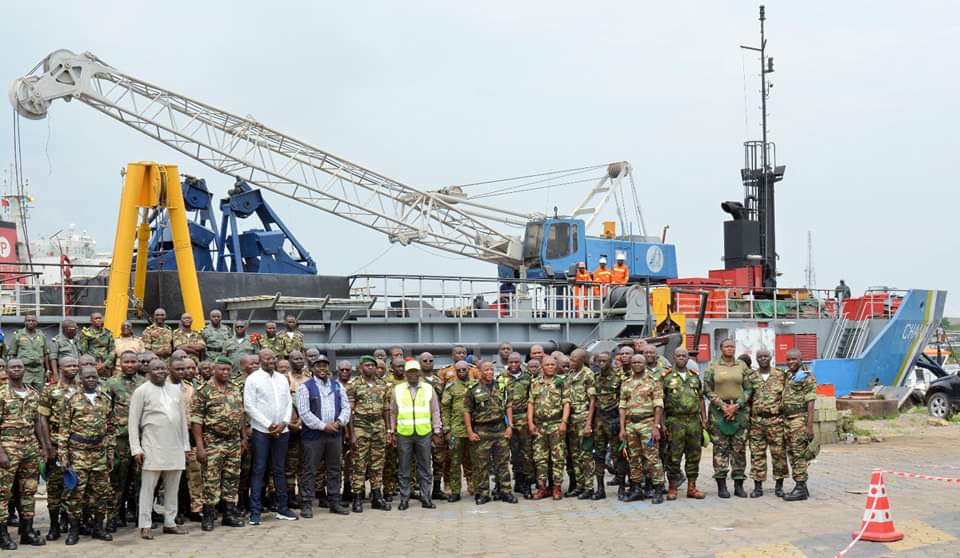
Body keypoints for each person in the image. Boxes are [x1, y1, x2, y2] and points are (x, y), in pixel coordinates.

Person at [128, 359, 191, 540]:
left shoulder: (175, 390)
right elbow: (133, 423)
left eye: (163, 368)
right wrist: (136, 449)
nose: (160, 371)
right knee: (148, 489)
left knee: (173, 489)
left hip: (175, 446)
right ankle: (145, 525)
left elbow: (182, 420)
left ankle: (170, 523)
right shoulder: (141, 392)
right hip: (151, 447)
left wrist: (186, 446)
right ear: (148, 371)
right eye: (156, 369)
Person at [57, 365, 116, 545]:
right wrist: (63, 456)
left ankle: (98, 527)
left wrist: (110, 452)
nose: (91, 379)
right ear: (80, 380)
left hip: (99, 452)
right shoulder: (71, 399)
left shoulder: (104, 399)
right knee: (75, 494)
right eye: (87, 377)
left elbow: (111, 427)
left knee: (101, 493)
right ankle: (74, 530)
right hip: (78, 452)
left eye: (94, 377)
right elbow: (63, 430)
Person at [191, 356, 247, 530]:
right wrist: (200, 446)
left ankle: (229, 513)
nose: (225, 372)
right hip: (213, 442)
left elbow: (241, 414)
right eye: (221, 369)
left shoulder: (235, 388)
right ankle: (209, 515)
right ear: (214, 369)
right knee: (211, 479)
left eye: (228, 370)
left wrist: (243, 437)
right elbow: (196, 420)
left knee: (232, 478)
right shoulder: (204, 390)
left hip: (233, 442)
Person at [0, 359, 51, 549]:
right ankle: (2, 535)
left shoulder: (32, 393)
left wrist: (44, 446)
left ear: (24, 370)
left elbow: (37, 421)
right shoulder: (2, 394)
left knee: (28, 491)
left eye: (19, 367)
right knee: (3, 494)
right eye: (12, 367)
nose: (16, 369)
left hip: (30, 449)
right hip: (7, 448)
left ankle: (27, 531)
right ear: (6, 370)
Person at [243, 348, 297, 524]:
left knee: (280, 470)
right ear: (260, 360)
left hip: (282, 431)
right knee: (259, 470)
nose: (271, 360)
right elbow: (249, 406)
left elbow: (288, 402)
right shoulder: (253, 379)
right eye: (266, 358)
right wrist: (268, 424)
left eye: (273, 357)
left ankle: (282, 508)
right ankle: (255, 512)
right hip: (262, 431)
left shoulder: (282, 378)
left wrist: (284, 422)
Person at [297, 356, 351, 517]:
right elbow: (304, 413)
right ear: (312, 368)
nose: (322, 368)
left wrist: (339, 422)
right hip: (313, 436)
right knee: (309, 470)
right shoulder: (305, 387)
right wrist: (323, 426)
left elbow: (346, 407)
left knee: (334, 469)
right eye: (318, 366)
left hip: (334, 434)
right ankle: (306, 503)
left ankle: (334, 501)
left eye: (325, 366)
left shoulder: (337, 386)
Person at [387, 360, 442, 510]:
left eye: (415, 372)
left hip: (424, 433)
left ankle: (426, 498)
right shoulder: (397, 390)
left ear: (419, 373)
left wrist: (437, 430)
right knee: (404, 469)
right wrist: (392, 431)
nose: (412, 375)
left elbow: (435, 410)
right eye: (409, 372)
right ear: (405, 374)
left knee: (424, 468)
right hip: (404, 434)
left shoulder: (428, 389)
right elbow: (392, 412)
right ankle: (404, 499)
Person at [703, 338, 754, 499]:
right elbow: (707, 388)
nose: (730, 349)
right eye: (726, 346)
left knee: (739, 449)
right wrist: (723, 406)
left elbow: (748, 388)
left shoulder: (742, 366)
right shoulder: (713, 365)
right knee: (721, 448)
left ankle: (739, 485)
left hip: (739, 412)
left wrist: (736, 405)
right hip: (719, 413)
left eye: (732, 346)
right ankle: (722, 486)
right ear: (721, 348)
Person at [36, 356, 79, 541]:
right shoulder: (50, 389)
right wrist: (47, 446)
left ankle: (70, 522)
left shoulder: (82, 388)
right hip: (55, 442)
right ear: (60, 368)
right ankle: (54, 526)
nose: (73, 368)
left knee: (73, 486)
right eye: (69, 365)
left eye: (75, 365)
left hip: (77, 445)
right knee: (54, 488)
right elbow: (42, 418)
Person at [102, 351, 145, 531]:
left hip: (141, 439)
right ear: (120, 363)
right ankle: (113, 517)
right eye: (126, 362)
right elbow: (105, 410)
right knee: (117, 481)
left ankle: (139, 516)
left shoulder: (144, 383)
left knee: (139, 480)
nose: (130, 365)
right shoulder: (111, 383)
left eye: (133, 362)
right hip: (120, 439)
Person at [464, 361, 517, 505]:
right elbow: (467, 411)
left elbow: (508, 406)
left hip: (499, 429)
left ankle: (506, 492)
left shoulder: (501, 386)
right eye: (486, 370)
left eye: (491, 370)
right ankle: (483, 493)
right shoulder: (473, 389)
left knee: (502, 464)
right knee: (481, 465)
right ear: (479, 372)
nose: (489, 372)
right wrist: (470, 431)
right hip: (482, 431)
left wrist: (509, 426)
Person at [346, 355, 391, 512]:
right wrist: (351, 434)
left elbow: (386, 408)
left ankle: (377, 495)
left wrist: (388, 430)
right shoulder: (353, 385)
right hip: (360, 426)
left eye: (373, 365)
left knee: (378, 463)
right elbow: (349, 412)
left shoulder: (382, 384)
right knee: (359, 463)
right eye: (367, 365)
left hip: (378, 426)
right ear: (360, 368)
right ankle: (357, 497)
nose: (370, 368)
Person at [618, 354, 665, 504]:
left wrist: (656, 426)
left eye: (640, 362)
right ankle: (636, 489)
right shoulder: (626, 383)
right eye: (634, 362)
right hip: (631, 425)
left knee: (652, 458)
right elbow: (622, 406)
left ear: (645, 364)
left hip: (648, 423)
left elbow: (658, 405)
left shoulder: (653, 381)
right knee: (633, 458)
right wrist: (622, 428)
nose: (637, 364)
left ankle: (658, 489)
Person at [661, 347, 706, 500]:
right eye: (678, 355)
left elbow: (700, 399)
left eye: (684, 356)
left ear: (688, 359)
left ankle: (692, 487)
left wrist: (704, 419)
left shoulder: (694, 377)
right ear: (674, 358)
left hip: (694, 421)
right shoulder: (666, 377)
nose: (681, 358)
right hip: (675, 421)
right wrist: (662, 424)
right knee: (674, 456)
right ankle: (672, 487)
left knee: (694, 455)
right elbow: (660, 402)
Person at [748, 348, 788, 498]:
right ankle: (758, 487)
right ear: (756, 359)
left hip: (775, 420)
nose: (763, 359)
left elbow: (786, 396)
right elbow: (748, 398)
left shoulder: (780, 375)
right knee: (757, 454)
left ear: (771, 357)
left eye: (765, 356)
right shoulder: (752, 377)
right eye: (760, 357)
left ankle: (779, 486)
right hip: (757, 422)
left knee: (778, 454)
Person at [528, 355, 569, 500]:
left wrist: (564, 422)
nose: (550, 367)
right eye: (548, 365)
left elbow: (566, 403)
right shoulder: (535, 383)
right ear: (542, 367)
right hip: (539, 426)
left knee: (558, 458)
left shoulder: (561, 382)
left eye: (553, 364)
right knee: (540, 458)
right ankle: (542, 488)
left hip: (556, 424)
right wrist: (530, 423)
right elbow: (531, 403)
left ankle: (557, 488)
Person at [169, 359, 203, 523]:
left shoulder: (190, 388)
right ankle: (176, 511)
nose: (182, 372)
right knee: (175, 475)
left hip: (189, 434)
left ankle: (195, 509)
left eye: (186, 369)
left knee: (194, 473)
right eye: (179, 368)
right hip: (170, 435)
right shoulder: (162, 387)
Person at [781, 349, 817, 501]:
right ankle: (802, 486)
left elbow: (810, 402)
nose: (791, 362)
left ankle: (800, 488)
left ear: (801, 359)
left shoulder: (807, 377)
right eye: (788, 360)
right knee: (792, 453)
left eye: (794, 359)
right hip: (788, 420)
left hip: (799, 420)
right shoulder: (789, 375)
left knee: (798, 454)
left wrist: (809, 426)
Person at [564, 349, 596, 499]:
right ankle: (580, 485)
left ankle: (589, 487)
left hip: (583, 419)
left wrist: (589, 423)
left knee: (586, 455)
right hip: (571, 421)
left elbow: (592, 401)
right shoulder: (570, 375)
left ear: (581, 361)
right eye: (570, 359)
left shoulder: (587, 374)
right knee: (575, 455)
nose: (570, 362)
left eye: (573, 360)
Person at [592, 351, 624, 499]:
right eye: (600, 361)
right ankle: (600, 488)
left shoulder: (620, 378)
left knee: (619, 456)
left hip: (614, 420)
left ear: (610, 361)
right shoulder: (595, 378)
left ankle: (622, 487)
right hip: (599, 421)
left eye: (605, 360)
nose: (602, 363)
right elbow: (593, 401)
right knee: (598, 456)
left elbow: (624, 400)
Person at [502, 352, 534, 499]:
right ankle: (517, 481)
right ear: (507, 362)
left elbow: (532, 400)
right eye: (511, 362)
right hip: (507, 420)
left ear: (520, 362)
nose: (513, 365)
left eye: (516, 362)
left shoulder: (528, 378)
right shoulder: (501, 378)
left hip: (524, 418)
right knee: (513, 453)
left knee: (527, 453)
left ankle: (527, 484)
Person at [441, 360, 473, 502]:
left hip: (473, 430)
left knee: (474, 461)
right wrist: (447, 429)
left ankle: (476, 488)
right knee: (454, 462)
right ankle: (455, 491)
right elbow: (445, 409)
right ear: (455, 371)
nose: (462, 372)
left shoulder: (476, 385)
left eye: (464, 369)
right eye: (459, 370)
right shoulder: (451, 387)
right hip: (456, 430)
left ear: (468, 370)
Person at [9, 315, 48, 389]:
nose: (31, 322)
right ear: (24, 322)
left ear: (37, 322)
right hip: (24, 370)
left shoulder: (42, 336)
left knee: (39, 393)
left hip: (39, 371)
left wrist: (47, 369)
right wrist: (13, 370)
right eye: (28, 320)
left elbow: (45, 353)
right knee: (24, 392)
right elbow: (12, 353)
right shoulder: (17, 335)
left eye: (33, 321)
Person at [79, 312, 116, 378]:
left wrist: (105, 364)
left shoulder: (108, 333)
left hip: (106, 366)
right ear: (91, 321)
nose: (98, 320)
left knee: (107, 385)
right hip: (91, 366)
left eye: (100, 318)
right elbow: (84, 352)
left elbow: (112, 350)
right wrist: (93, 364)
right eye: (96, 318)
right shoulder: (86, 333)